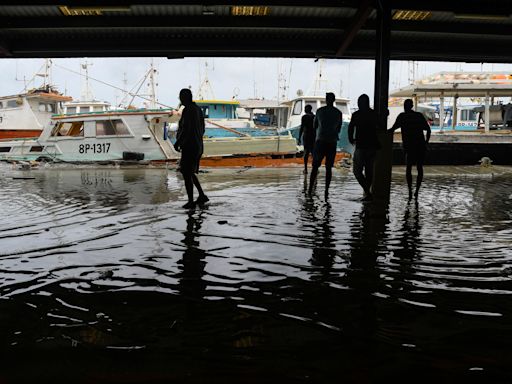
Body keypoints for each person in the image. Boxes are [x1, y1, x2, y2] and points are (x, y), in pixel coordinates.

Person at [389, 98, 431, 199]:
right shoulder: (418, 116)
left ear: (406, 106)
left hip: (409, 147)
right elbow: (428, 130)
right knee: (419, 168)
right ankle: (416, 191)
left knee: (408, 168)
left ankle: (410, 191)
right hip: (420, 146)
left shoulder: (402, 117)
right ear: (412, 106)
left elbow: (392, 129)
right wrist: (426, 142)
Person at [174, 88, 209, 209]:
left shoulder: (188, 110)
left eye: (181, 96)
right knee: (190, 172)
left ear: (186, 97)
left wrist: (177, 142)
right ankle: (201, 195)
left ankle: (191, 201)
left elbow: (186, 129)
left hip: (190, 146)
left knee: (186, 172)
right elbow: (202, 129)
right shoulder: (198, 110)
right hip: (197, 145)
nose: (180, 99)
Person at [308, 92, 342, 198]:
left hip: (320, 140)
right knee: (328, 168)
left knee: (315, 166)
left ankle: (310, 190)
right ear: (334, 100)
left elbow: (315, 126)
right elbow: (339, 129)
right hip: (332, 141)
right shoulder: (338, 113)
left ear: (326, 100)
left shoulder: (320, 111)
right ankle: (326, 191)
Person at [348, 94, 380, 201]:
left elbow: (351, 127)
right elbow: (379, 126)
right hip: (372, 146)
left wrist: (351, 139)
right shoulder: (373, 114)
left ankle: (367, 191)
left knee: (357, 171)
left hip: (361, 146)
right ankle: (368, 192)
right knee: (369, 170)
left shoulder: (356, 115)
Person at [298, 104, 316, 174]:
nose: (304, 110)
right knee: (313, 152)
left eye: (305, 108)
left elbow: (302, 127)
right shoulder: (314, 117)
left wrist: (299, 137)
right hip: (313, 136)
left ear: (307, 109)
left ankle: (305, 169)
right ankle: (315, 168)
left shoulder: (304, 117)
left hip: (306, 136)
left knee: (306, 152)